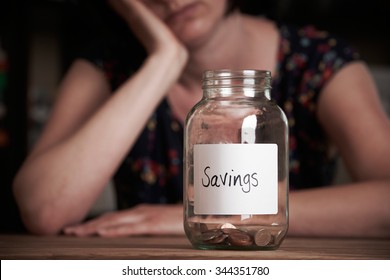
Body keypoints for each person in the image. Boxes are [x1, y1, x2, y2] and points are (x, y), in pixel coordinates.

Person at [13, 0, 390, 238]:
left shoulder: (318, 60)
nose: (173, 1)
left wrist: (190, 215)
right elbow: (43, 209)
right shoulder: (106, 66)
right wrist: (164, 60)